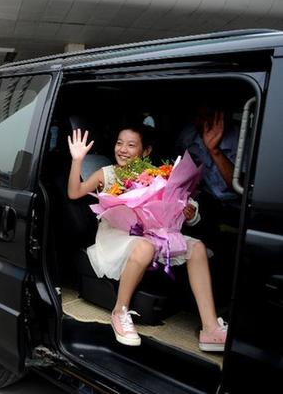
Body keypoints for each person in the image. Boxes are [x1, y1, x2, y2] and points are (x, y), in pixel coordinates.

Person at [67, 126, 227, 351]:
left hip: (149, 233)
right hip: (116, 235)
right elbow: (75, 192)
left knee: (197, 248)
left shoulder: (155, 175)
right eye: (119, 143)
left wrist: (189, 212)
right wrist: (77, 160)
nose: (123, 150)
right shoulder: (107, 173)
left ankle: (210, 329)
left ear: (145, 151)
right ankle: (120, 312)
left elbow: (172, 206)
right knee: (145, 247)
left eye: (131, 145)